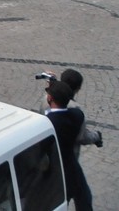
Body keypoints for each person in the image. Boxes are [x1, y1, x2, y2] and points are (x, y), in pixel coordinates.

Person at [44, 79, 92, 211]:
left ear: (50, 98)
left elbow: (44, 109)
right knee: (83, 198)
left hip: (54, 174)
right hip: (71, 167)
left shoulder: (46, 122)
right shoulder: (77, 116)